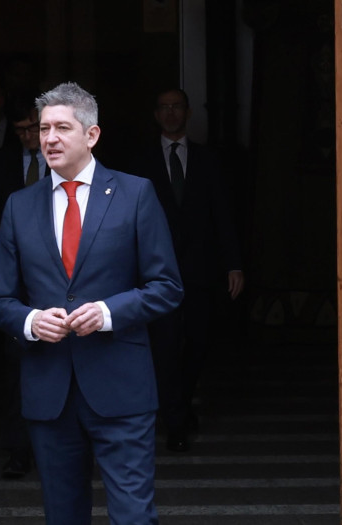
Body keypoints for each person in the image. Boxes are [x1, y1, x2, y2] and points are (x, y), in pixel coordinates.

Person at [0, 82, 183, 524]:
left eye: (61, 128)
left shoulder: (136, 194)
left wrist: (110, 312)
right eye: (43, 129)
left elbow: (167, 285)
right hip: (49, 390)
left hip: (121, 387)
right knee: (63, 514)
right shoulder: (18, 206)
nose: (49, 138)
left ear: (91, 135)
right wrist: (32, 320)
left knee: (133, 515)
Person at [137, 88, 244, 453]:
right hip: (156, 271)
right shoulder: (141, 161)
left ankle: (178, 405)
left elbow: (223, 213)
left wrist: (233, 263)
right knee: (164, 346)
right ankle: (176, 421)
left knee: (197, 344)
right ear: (155, 114)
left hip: (201, 270)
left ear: (188, 112)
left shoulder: (208, 159)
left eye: (176, 106)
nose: (170, 113)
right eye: (163, 107)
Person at [0, 95, 45, 478]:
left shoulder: (63, 160)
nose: (29, 137)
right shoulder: (1, 163)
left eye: (34, 128)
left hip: (63, 279)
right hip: (15, 282)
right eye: (20, 131)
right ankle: (18, 450)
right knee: (16, 370)